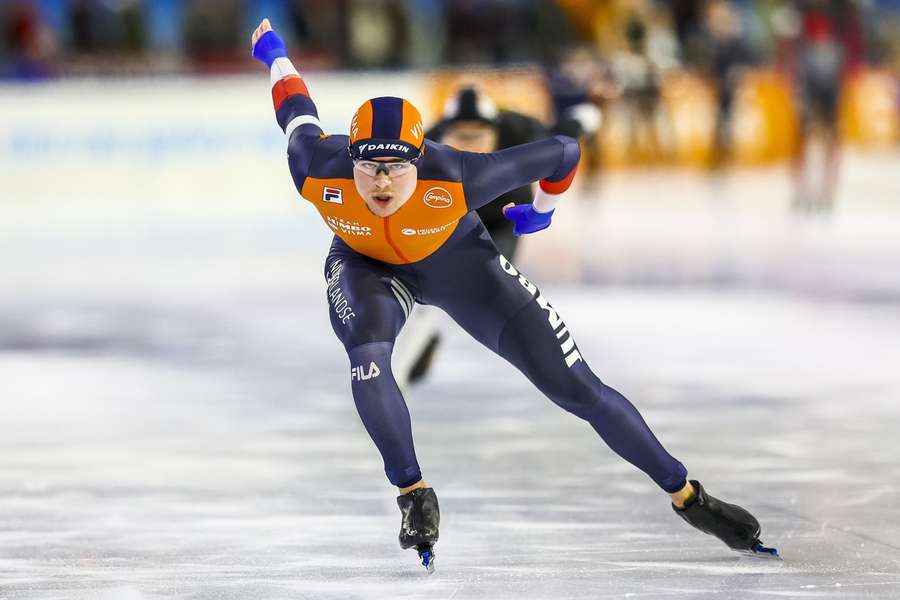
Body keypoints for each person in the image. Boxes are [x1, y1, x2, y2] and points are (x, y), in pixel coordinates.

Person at [250, 19, 777, 572]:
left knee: (578, 389)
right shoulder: (313, 166)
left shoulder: (456, 174)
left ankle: (689, 496)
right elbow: (294, 107)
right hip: (366, 266)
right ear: (348, 159)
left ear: (419, 159)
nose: (382, 185)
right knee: (367, 352)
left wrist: (541, 212)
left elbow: (564, 151)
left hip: (463, 269)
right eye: (369, 168)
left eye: (397, 168)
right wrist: (274, 52)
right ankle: (413, 494)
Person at [391, 85, 600, 386]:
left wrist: (542, 210)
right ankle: (413, 353)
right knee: (433, 287)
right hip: (454, 218)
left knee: (480, 286)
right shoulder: (426, 145)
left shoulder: (521, 133)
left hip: (504, 222)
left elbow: (564, 141)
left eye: (478, 136)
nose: (471, 146)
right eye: (461, 137)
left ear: (496, 132)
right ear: (445, 134)